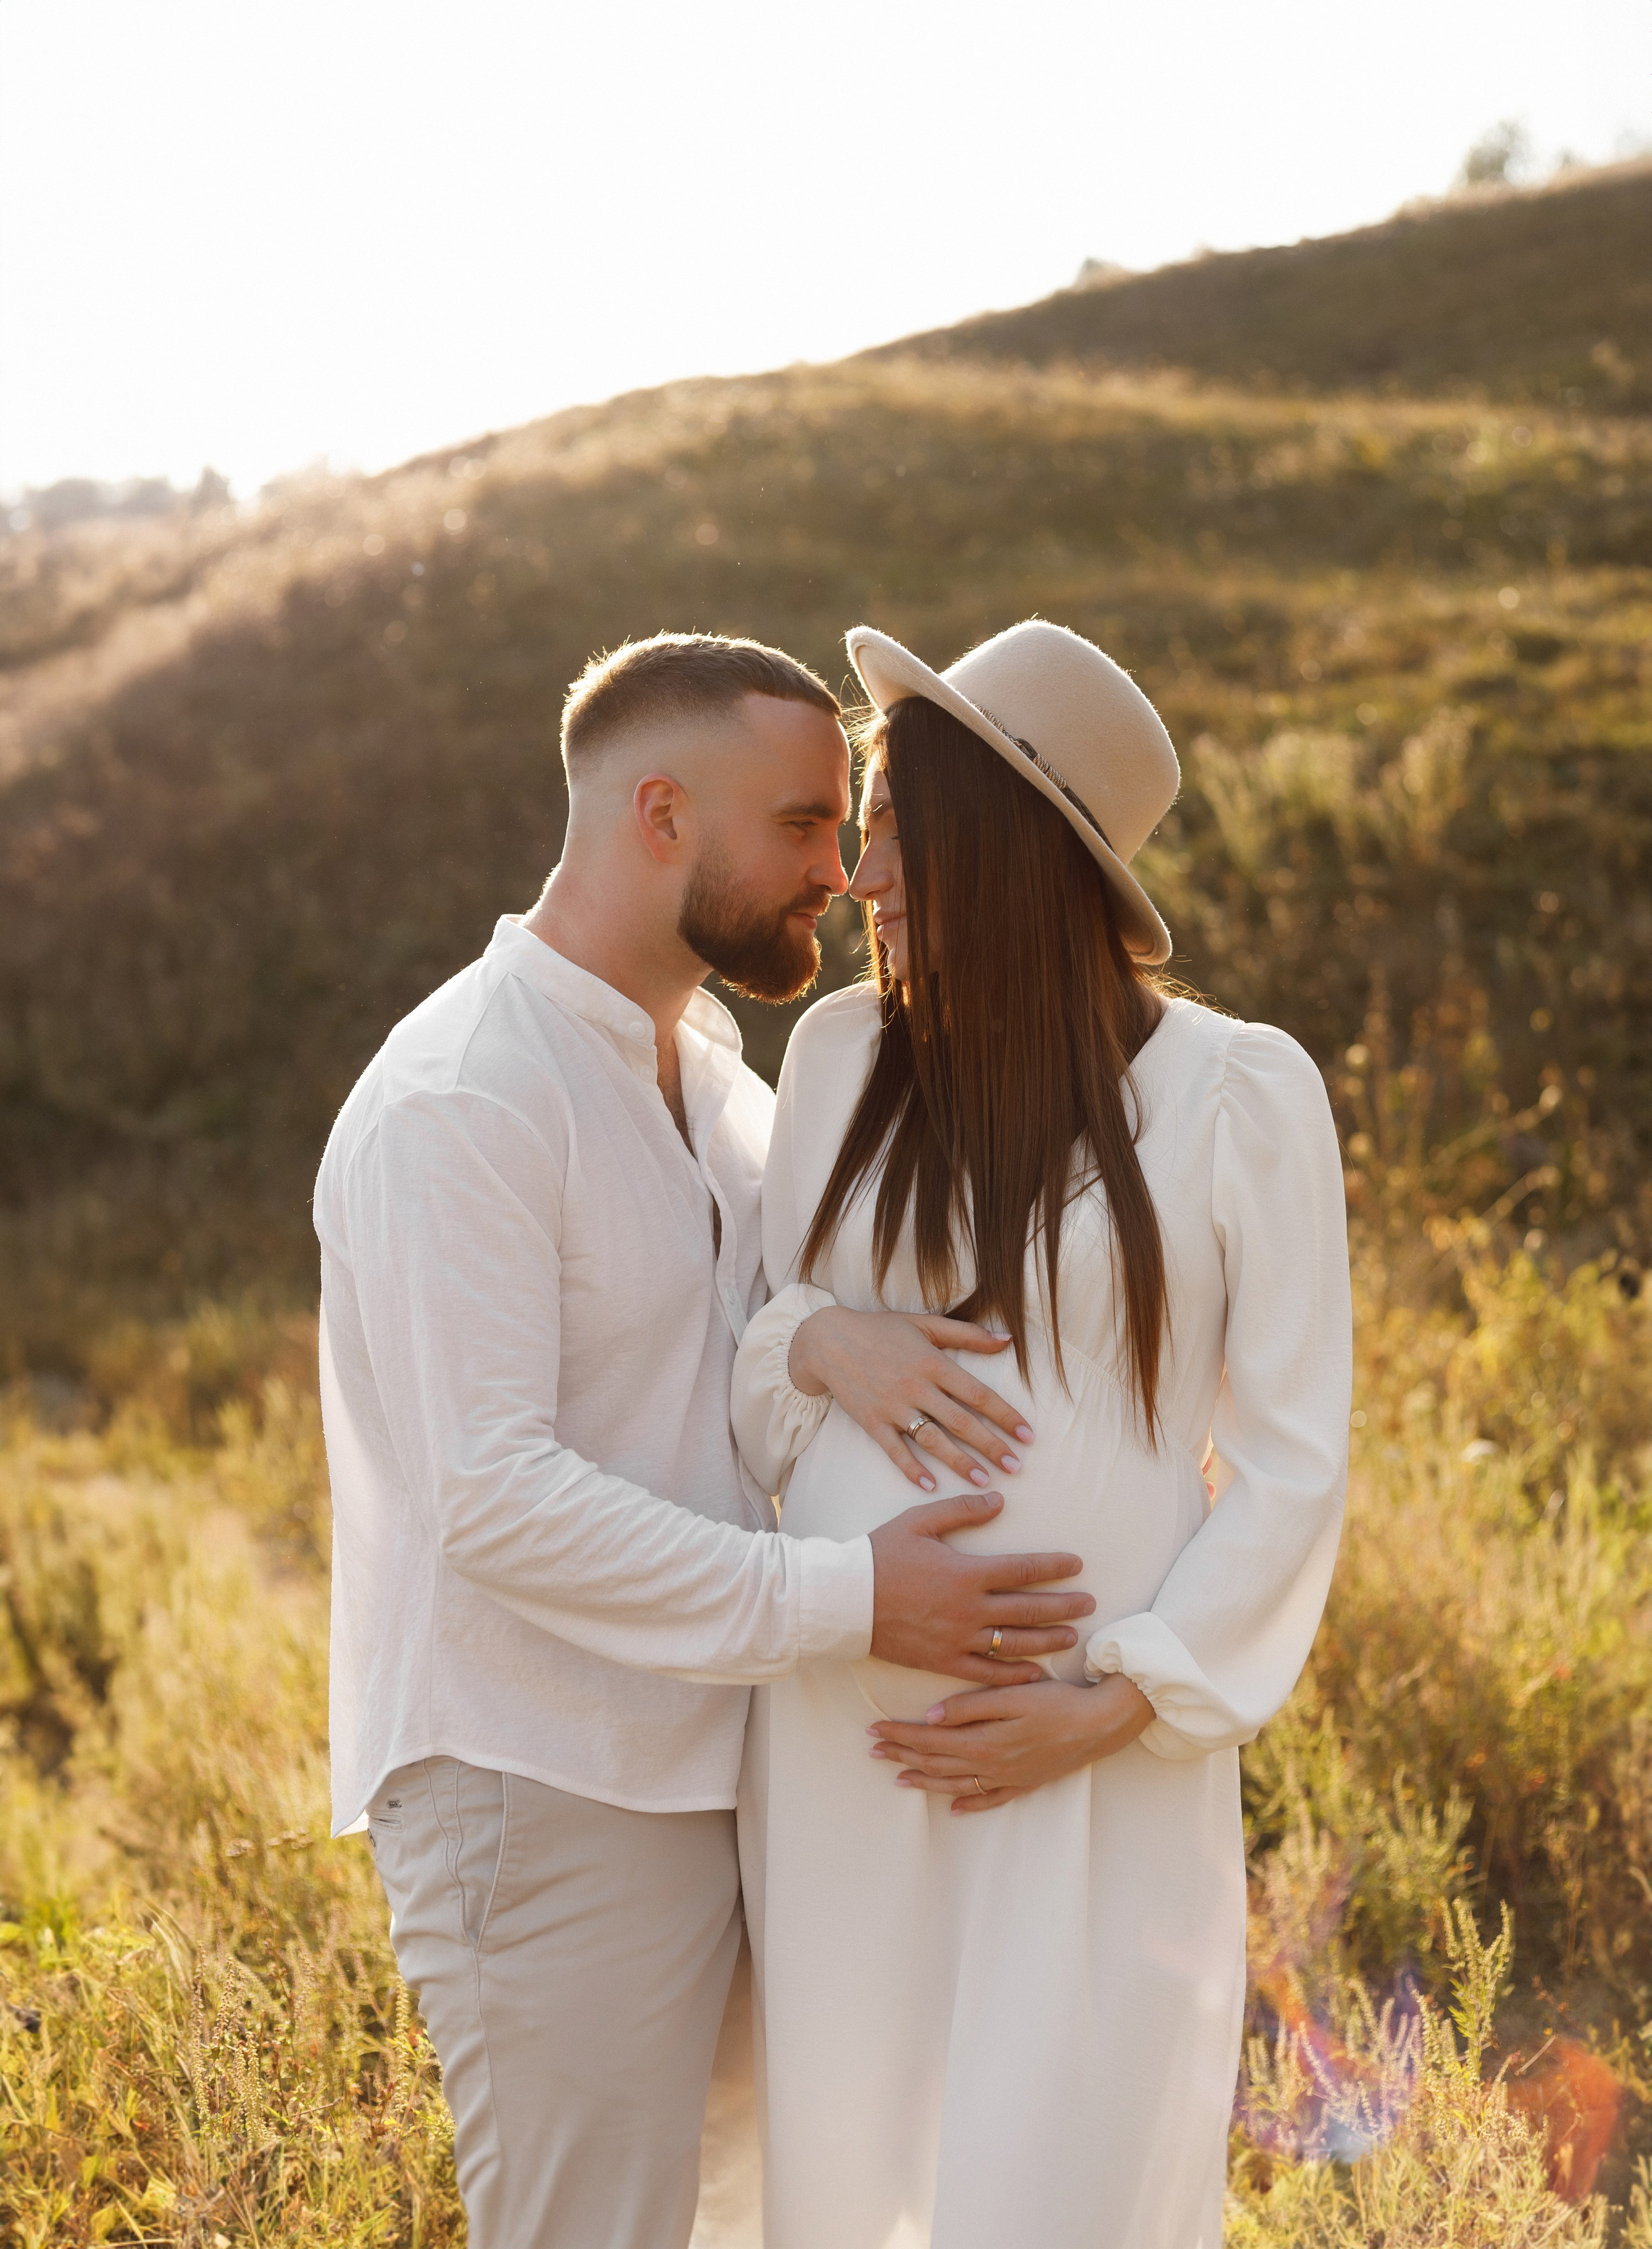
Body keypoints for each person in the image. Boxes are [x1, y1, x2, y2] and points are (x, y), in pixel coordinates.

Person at [311, 631, 1096, 2249]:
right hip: (545, 1789)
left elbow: (744, 1363)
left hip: (730, 1779)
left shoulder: (725, 1085)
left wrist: (825, 1336)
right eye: (806, 824)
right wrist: (851, 1602)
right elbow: (495, 1500)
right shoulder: (466, 1098)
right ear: (660, 812)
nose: (845, 866)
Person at [731, 620, 1353, 2249]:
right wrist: (827, 1339)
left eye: (888, 828)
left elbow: (1293, 1466)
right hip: (840, 1754)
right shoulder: (837, 1058)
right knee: (855, 2174)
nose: (857, 874)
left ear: (1000, 849)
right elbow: (747, 1378)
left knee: (1065, 2176)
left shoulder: (1237, 1096)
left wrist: (1117, 1702)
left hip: (1090, 1770)